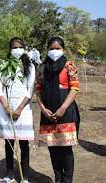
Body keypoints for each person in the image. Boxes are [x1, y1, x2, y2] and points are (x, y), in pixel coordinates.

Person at [35, 37, 80, 183]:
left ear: (63, 50)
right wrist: (43, 108)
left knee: (66, 150)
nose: (54, 51)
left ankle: (67, 180)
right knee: (53, 149)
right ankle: (58, 178)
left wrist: (63, 108)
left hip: (66, 113)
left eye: (57, 48)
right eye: (51, 49)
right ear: (47, 50)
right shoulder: (42, 67)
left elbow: (74, 88)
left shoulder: (69, 66)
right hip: (47, 114)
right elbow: (38, 90)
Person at [0, 37, 35, 183]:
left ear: (24, 48)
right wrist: (6, 107)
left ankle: (25, 177)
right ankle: (9, 174)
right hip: (6, 109)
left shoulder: (29, 66)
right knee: (9, 143)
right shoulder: (4, 65)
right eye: (14, 47)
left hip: (23, 110)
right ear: (9, 49)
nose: (17, 50)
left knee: (24, 144)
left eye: (20, 47)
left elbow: (30, 90)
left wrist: (19, 109)